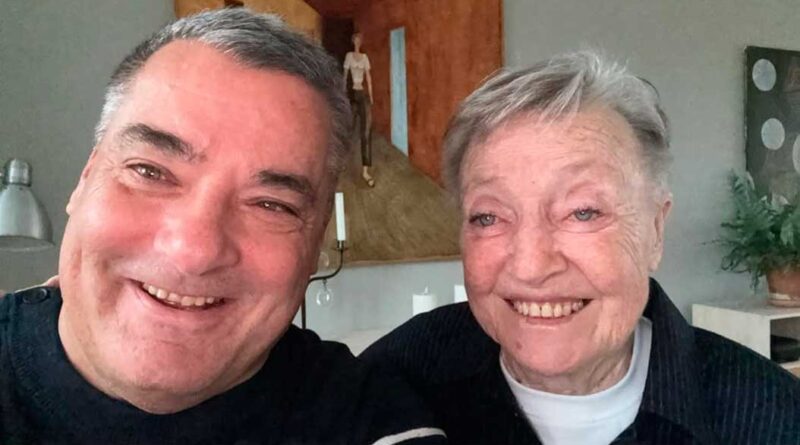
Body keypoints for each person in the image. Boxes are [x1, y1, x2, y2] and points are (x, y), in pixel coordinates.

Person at [0, 9, 446, 445]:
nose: (194, 251)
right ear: (85, 180)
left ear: (317, 242)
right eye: (150, 172)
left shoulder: (374, 423)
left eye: (271, 205)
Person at [362, 51, 800, 444]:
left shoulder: (774, 418)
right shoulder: (394, 378)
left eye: (583, 212)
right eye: (488, 217)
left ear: (655, 229)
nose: (531, 267)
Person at [343, 32, 375, 187]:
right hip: (351, 96)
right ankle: (341, 163)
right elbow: (345, 76)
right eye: (355, 39)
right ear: (353, 41)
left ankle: (365, 171)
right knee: (347, 130)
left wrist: (371, 96)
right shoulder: (349, 56)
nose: (358, 42)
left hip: (362, 95)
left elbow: (368, 77)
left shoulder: (364, 58)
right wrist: (343, 95)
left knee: (366, 133)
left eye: (359, 40)